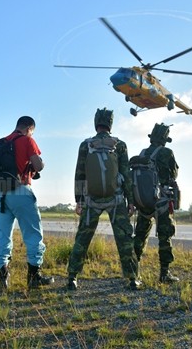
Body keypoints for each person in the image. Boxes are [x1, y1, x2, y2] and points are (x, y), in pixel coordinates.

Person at [67, 108, 141, 290]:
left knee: (82, 239)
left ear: (96, 123)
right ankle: (133, 278)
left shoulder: (86, 145)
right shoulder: (120, 145)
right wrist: (131, 200)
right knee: (124, 239)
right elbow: (126, 174)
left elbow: (80, 174)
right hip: (115, 199)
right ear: (110, 123)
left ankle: (72, 278)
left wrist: (79, 200)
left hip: (91, 199)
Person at [0, 116, 54, 289]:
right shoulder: (28, 140)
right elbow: (38, 165)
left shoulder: (2, 142)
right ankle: (34, 276)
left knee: (3, 236)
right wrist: (40, 163)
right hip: (21, 190)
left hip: (1, 194)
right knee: (33, 234)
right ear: (29, 128)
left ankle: (3, 276)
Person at [132, 123, 180, 283]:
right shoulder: (166, 152)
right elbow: (174, 174)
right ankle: (164, 273)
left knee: (139, 236)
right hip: (161, 202)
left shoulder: (143, 153)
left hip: (143, 202)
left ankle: (134, 271)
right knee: (165, 236)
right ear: (165, 139)